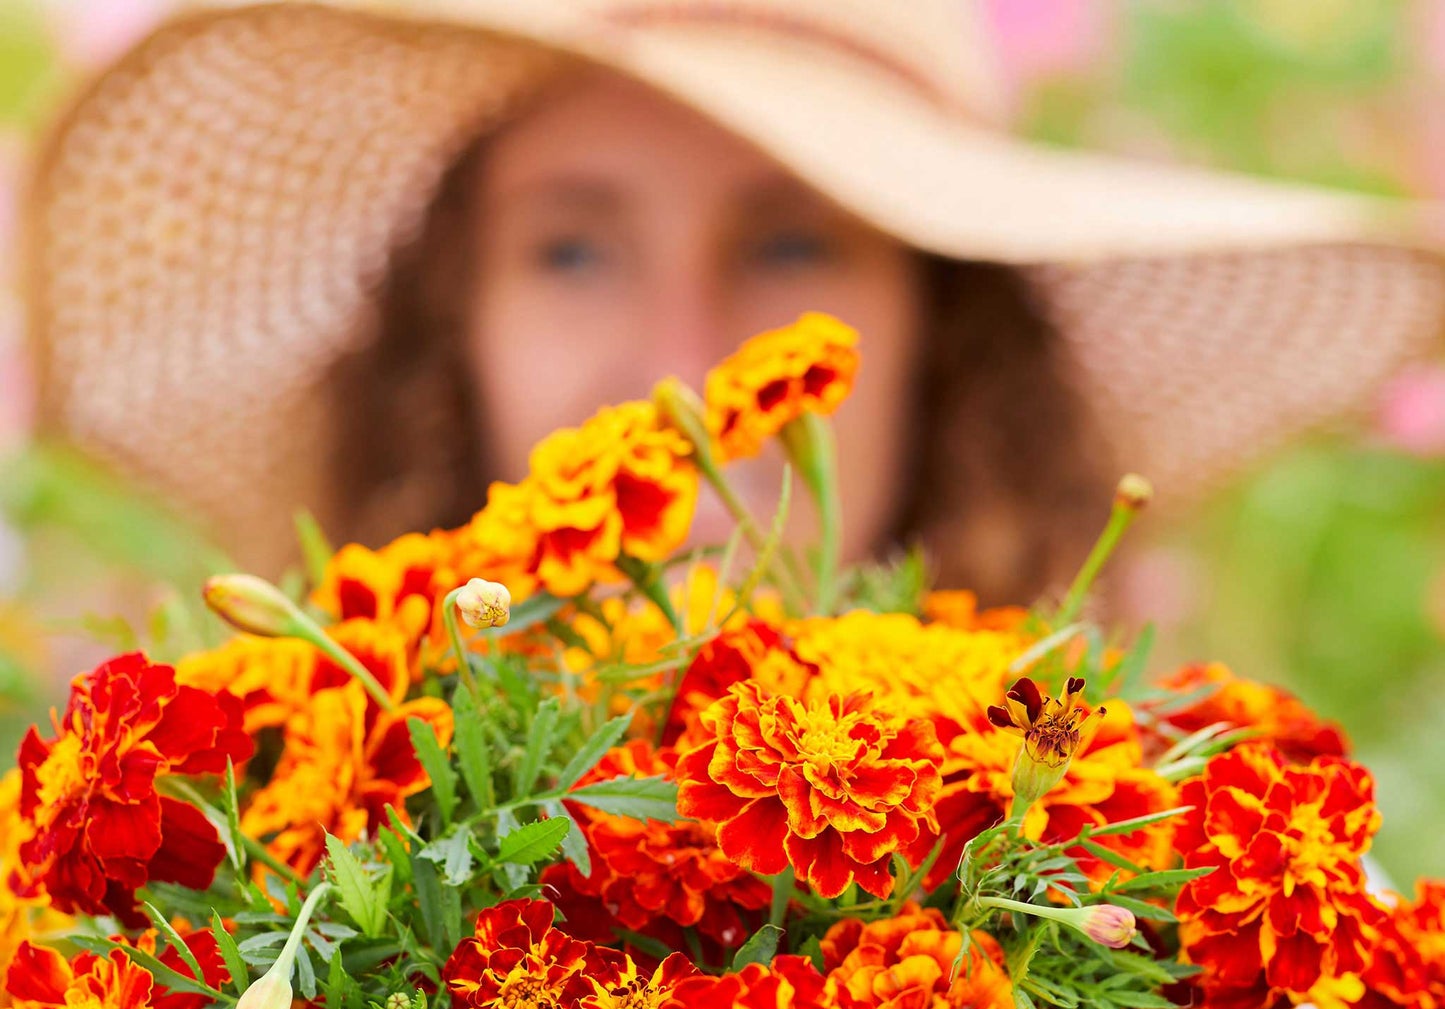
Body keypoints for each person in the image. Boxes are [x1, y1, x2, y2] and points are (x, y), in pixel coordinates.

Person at [22, 0, 1445, 601]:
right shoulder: (243, 922)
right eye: (571, 251)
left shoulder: (1204, 970)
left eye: (791, 248)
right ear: (446, 338)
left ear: (947, 340)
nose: (687, 375)